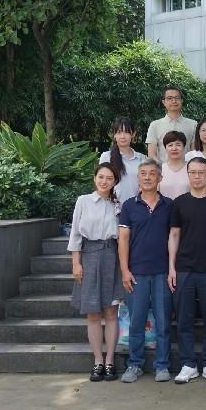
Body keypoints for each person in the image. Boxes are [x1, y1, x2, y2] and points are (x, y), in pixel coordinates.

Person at [168, 157, 206, 385]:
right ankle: (188, 364)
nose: (197, 176)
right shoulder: (179, 203)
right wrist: (171, 267)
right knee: (184, 318)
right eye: (193, 172)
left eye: (201, 172)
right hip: (184, 268)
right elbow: (174, 235)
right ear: (188, 175)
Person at [118, 160, 174, 383]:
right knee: (136, 321)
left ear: (160, 178)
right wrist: (124, 270)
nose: (148, 177)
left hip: (162, 272)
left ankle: (162, 365)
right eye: (143, 173)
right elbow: (123, 239)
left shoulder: (169, 205)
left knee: (163, 322)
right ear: (138, 178)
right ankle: (134, 364)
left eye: (152, 173)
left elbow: (174, 237)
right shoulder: (129, 206)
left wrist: (172, 269)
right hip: (136, 273)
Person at [68, 163, 123, 382]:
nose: (104, 181)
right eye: (101, 177)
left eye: (109, 178)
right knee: (92, 313)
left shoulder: (118, 205)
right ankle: (97, 360)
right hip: (89, 256)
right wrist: (76, 263)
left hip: (112, 255)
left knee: (111, 312)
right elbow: (75, 233)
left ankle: (110, 361)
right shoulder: (83, 201)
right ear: (94, 178)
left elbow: (123, 236)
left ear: (115, 181)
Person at [99, 117, 147, 205]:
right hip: (112, 207)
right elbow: (101, 183)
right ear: (114, 135)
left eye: (126, 132)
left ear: (133, 134)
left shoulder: (142, 159)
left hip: (136, 207)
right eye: (119, 132)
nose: (122, 136)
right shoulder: (106, 157)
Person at [146, 86, 197, 161]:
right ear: (164, 102)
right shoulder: (155, 125)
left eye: (177, 98)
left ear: (181, 101)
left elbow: (194, 153)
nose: (174, 101)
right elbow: (152, 154)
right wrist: (162, 167)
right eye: (169, 98)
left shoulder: (193, 124)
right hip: (162, 168)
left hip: (187, 167)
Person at [158, 131, 190, 200]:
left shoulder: (191, 168)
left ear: (184, 147)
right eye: (170, 145)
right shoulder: (160, 169)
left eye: (178, 145)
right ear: (165, 148)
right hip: (165, 206)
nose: (174, 148)